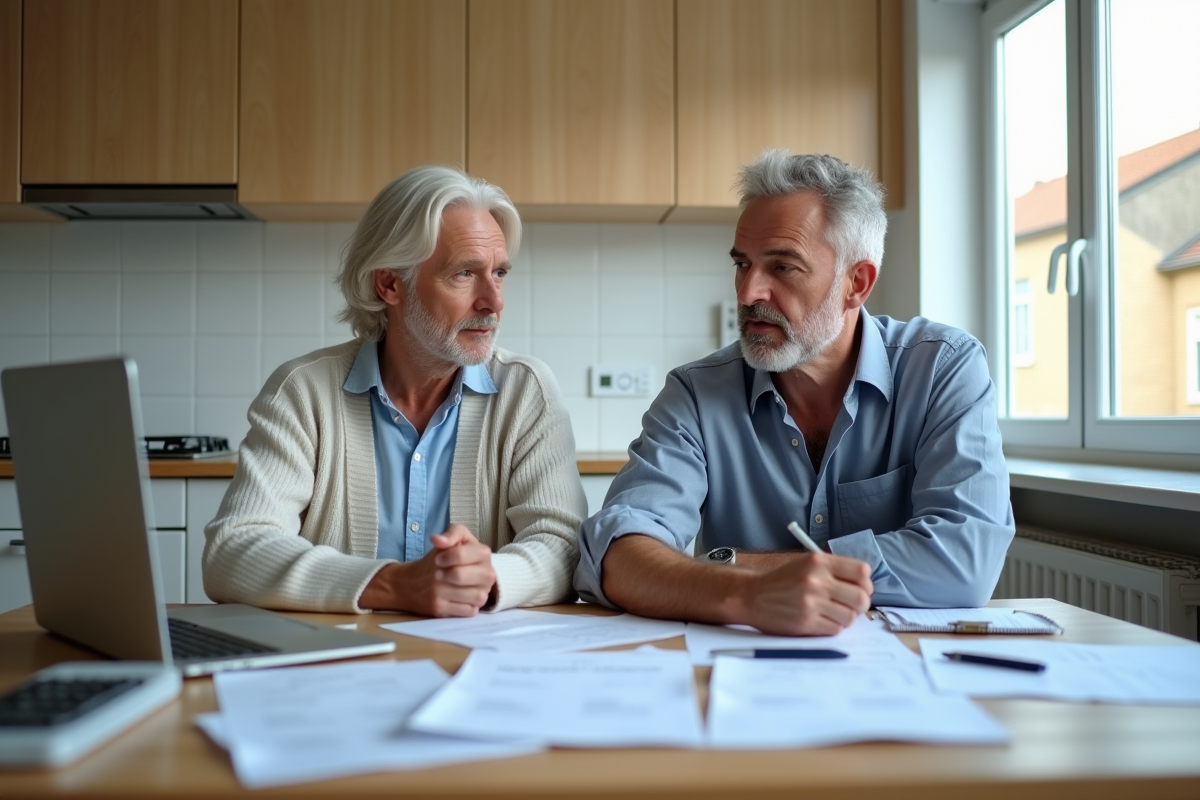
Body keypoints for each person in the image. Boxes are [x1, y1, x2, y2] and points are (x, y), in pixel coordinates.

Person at [574, 150, 1014, 636]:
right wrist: (751, 594)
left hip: (906, 677)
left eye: (782, 267)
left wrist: (742, 564)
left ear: (857, 283)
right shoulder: (697, 394)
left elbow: (964, 561)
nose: (747, 294)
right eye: (742, 265)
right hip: (743, 671)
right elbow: (617, 556)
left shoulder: (942, 368)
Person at [204, 165, 586, 617]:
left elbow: (565, 547)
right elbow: (232, 551)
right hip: (338, 672)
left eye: (499, 273)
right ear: (389, 284)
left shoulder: (527, 391)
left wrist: (484, 579)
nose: (494, 301)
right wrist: (393, 585)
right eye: (465, 274)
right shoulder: (304, 392)